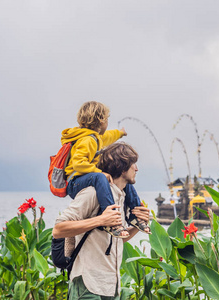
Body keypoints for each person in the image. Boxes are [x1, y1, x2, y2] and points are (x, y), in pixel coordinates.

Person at [53, 142, 150, 299]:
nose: (137, 169)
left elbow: (118, 240)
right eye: (133, 164)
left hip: (111, 286)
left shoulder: (122, 197)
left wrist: (137, 225)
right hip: (87, 285)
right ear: (123, 166)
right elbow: (58, 229)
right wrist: (100, 220)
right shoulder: (92, 193)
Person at [61, 101, 150, 237]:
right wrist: (99, 172)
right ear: (101, 121)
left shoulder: (95, 138)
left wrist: (120, 133)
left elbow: (108, 136)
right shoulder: (87, 140)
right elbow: (78, 164)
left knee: (125, 181)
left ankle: (134, 215)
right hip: (75, 182)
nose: (108, 123)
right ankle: (111, 219)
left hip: (86, 178)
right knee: (101, 177)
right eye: (107, 119)